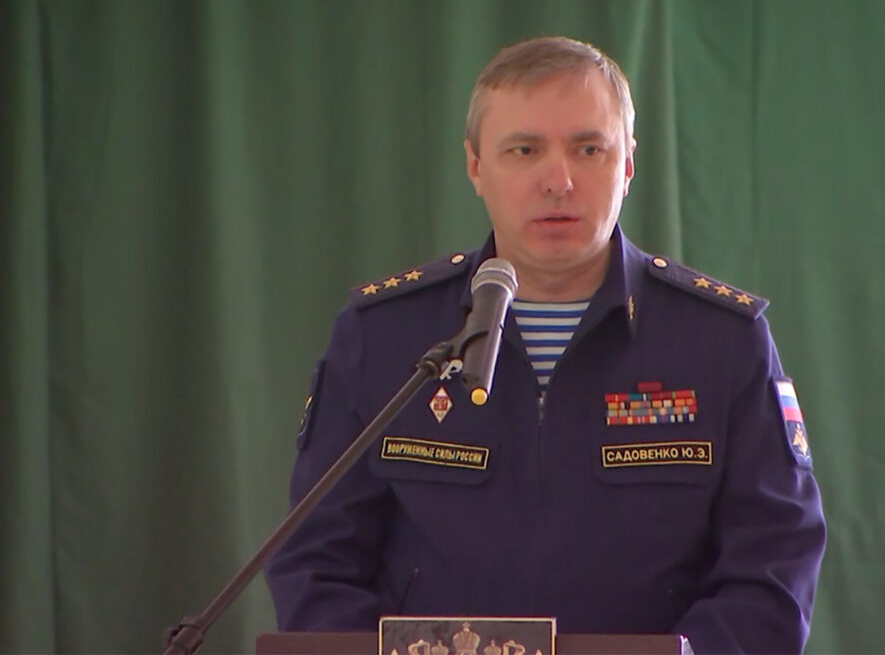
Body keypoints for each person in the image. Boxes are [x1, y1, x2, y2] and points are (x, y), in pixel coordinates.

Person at [266, 36, 826, 654]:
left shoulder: (722, 340)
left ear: (628, 164)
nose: (558, 181)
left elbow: (775, 565)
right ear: (476, 166)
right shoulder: (383, 334)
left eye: (589, 149)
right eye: (524, 150)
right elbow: (316, 561)